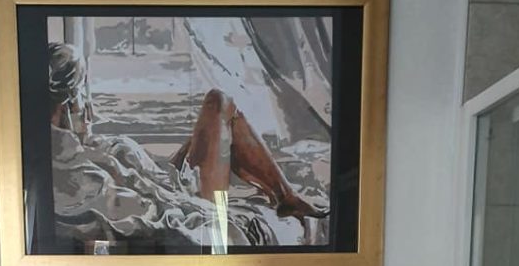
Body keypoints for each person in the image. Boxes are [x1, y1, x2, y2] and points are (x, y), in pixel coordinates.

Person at [47, 42, 328, 252]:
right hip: (186, 198)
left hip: (168, 181)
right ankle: (286, 198)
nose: (90, 111)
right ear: (65, 106)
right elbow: (152, 216)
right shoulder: (77, 173)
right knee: (221, 104)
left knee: (218, 103)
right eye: (82, 97)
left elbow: (144, 184)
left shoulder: (74, 148)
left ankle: (286, 196)